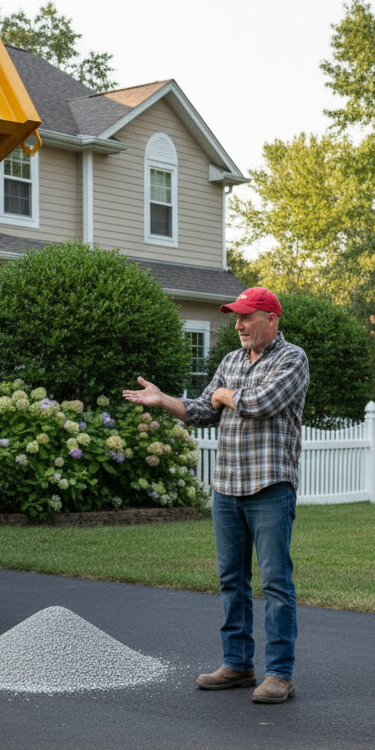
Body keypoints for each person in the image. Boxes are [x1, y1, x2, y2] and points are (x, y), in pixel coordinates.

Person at [123, 287, 309, 704]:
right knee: (231, 581)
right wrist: (163, 400)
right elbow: (203, 410)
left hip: (269, 487)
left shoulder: (292, 358)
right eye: (236, 317)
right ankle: (238, 665)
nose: (239, 325)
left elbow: (261, 403)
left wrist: (226, 395)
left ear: (271, 319)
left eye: (247, 316)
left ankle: (279, 673)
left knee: (276, 583)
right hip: (227, 489)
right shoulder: (229, 361)